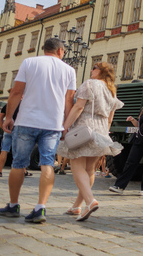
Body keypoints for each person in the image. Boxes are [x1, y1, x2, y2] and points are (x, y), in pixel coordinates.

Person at [0, 38, 76, 223]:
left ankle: (13, 205)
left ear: (44, 49)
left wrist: (8, 117)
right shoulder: (69, 70)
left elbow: (16, 92)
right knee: (47, 163)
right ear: (60, 51)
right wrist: (66, 125)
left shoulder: (29, 62)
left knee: (18, 163)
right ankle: (40, 208)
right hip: (52, 124)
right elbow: (68, 100)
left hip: (27, 121)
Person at [57, 62, 123, 221]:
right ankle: (77, 207)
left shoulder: (89, 84)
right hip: (101, 130)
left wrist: (65, 127)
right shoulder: (111, 90)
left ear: (101, 71)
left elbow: (79, 107)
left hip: (84, 127)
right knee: (90, 170)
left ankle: (90, 201)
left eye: (94, 68)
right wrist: (105, 133)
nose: (91, 70)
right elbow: (110, 117)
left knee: (76, 166)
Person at [109, 90, 143, 196]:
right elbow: (139, 124)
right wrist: (133, 120)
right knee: (130, 162)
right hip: (139, 139)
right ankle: (119, 186)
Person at [0, 103, 31, 177]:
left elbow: (0, 118)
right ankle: (24, 171)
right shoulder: (24, 105)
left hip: (8, 130)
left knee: (4, 150)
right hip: (19, 130)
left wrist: (3, 128)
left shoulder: (7, 105)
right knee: (20, 151)